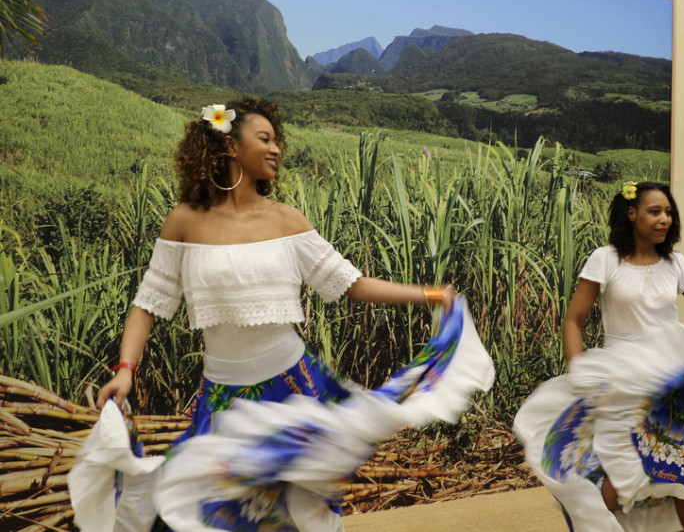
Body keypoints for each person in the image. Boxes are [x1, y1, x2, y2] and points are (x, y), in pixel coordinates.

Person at [70, 98, 494, 532]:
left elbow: (354, 285)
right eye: (265, 138)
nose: (276, 149)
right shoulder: (185, 221)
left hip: (292, 387)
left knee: (299, 517)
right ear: (231, 146)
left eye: (278, 141)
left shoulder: (287, 221)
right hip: (222, 398)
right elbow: (148, 304)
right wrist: (126, 370)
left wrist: (430, 293)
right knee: (199, 512)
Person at [516, 181, 684, 532]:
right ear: (632, 215)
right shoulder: (605, 259)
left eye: (669, 212)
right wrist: (579, 375)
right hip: (621, 383)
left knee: (682, 468)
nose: (665, 220)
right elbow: (573, 320)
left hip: (672, 385)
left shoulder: (676, 264)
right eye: (655, 211)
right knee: (615, 477)